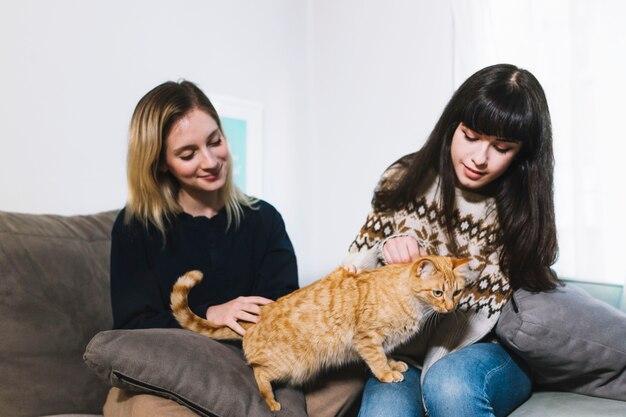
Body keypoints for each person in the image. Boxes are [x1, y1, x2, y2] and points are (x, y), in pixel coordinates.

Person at [344, 64, 559, 417]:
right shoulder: (402, 180)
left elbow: (482, 318)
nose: (479, 159)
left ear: (521, 153)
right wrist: (384, 255)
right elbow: (350, 276)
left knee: (449, 386)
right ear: (451, 126)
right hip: (405, 353)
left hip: (488, 351)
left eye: (501, 147)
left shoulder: (521, 208)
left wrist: (432, 377)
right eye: (471, 136)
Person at [104, 80, 300, 416]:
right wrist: (209, 314)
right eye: (188, 153)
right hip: (168, 376)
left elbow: (283, 309)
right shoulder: (136, 226)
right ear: (161, 162)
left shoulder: (264, 219)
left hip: (249, 369)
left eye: (215, 141)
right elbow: (133, 324)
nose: (210, 161)